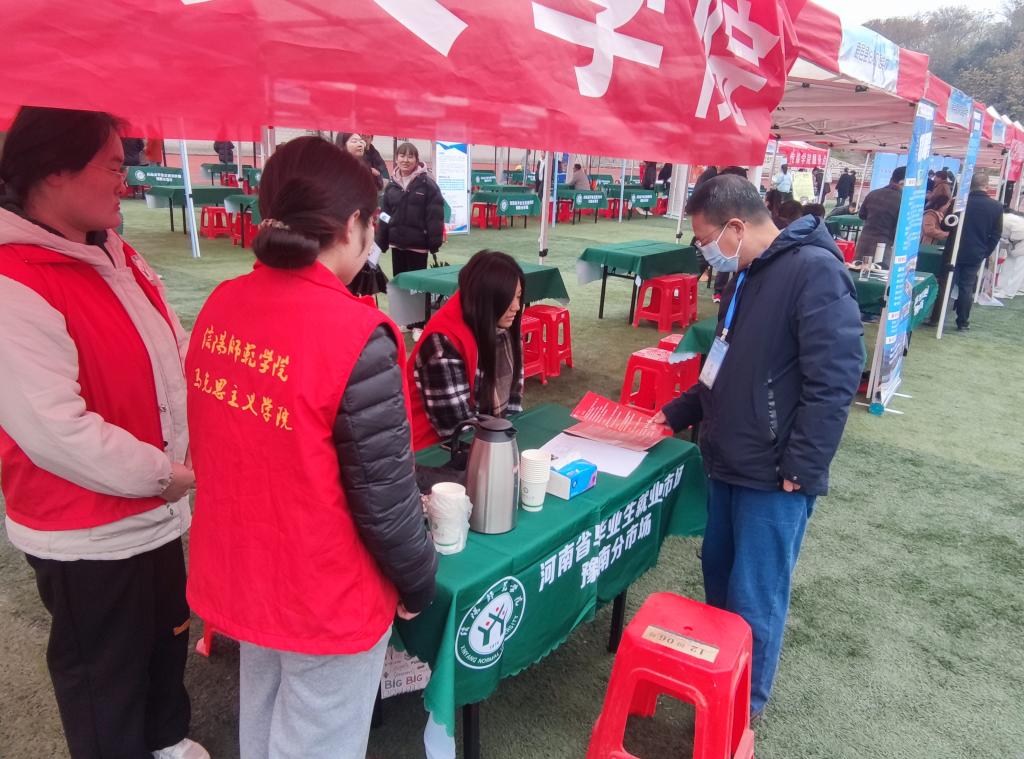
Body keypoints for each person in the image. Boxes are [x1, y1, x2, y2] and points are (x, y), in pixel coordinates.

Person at [185, 136, 437, 757]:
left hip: (246, 568)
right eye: (371, 224)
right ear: (353, 225)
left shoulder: (221, 305)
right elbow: (386, 499)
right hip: (325, 591)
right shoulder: (355, 332)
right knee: (316, 738)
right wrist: (418, 582)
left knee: (264, 716)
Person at [0, 106, 205, 759]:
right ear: (54, 170)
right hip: (84, 530)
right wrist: (164, 473)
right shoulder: (13, 279)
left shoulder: (114, 251)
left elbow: (172, 349)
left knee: (166, 634)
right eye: (114, 166)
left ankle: (167, 738)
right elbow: (57, 431)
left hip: (155, 508)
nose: (127, 181)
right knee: (102, 675)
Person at [653, 174, 863, 720]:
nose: (705, 253)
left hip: (774, 475)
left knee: (755, 597)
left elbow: (835, 379)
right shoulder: (745, 274)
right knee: (720, 582)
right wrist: (677, 413)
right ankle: (718, 686)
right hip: (728, 459)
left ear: (736, 227)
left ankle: (740, 710)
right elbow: (721, 364)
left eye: (706, 241)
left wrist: (803, 465)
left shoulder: (814, 272)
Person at [407, 250, 525, 450]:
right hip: (432, 451)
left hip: (484, 439)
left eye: (519, 297)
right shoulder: (442, 342)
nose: (516, 307)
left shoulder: (502, 326)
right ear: (486, 299)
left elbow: (514, 403)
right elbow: (456, 428)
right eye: (508, 299)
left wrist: (510, 436)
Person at [376, 141, 446, 337]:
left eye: (410, 156)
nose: (405, 160)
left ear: (416, 160)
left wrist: (434, 242)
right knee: (400, 283)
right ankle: (403, 321)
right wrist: (381, 240)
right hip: (397, 243)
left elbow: (435, 214)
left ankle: (419, 325)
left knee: (417, 286)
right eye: (402, 156)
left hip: (418, 245)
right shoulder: (392, 186)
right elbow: (385, 215)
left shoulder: (427, 184)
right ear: (396, 158)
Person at [950, 173, 1003, 330]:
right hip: (976, 252)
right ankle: (962, 322)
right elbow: (996, 234)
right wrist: (985, 252)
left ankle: (936, 317)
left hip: (954, 250)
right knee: (966, 287)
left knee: (947, 283)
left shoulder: (959, 203)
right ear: (987, 185)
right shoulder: (996, 206)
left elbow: (947, 225)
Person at [856, 166, 905, 267]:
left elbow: (862, 215)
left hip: (863, 243)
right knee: (878, 273)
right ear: (902, 182)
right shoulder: (903, 200)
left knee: (857, 272)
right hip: (884, 247)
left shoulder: (873, 193)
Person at [994, 210, 1024, 299]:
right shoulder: (1004, 218)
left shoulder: (1006, 218)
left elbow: (1020, 229)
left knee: (1018, 268)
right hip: (1017, 241)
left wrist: (1011, 240)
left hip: (1019, 241)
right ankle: (1002, 287)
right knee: (1009, 265)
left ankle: (1009, 292)